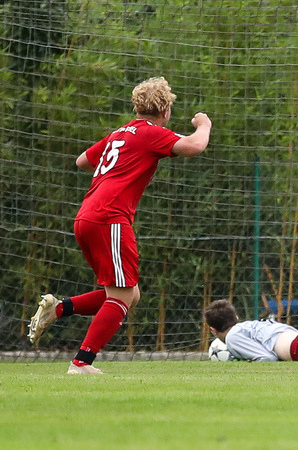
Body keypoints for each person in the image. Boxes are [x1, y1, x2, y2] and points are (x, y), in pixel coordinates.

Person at [27, 77, 212, 374]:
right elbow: (194, 146)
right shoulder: (152, 133)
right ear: (165, 110)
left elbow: (82, 160)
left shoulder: (120, 134)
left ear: (137, 106)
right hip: (109, 217)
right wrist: (203, 124)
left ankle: (59, 308)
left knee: (129, 293)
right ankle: (81, 362)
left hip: (87, 216)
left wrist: (116, 166)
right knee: (123, 295)